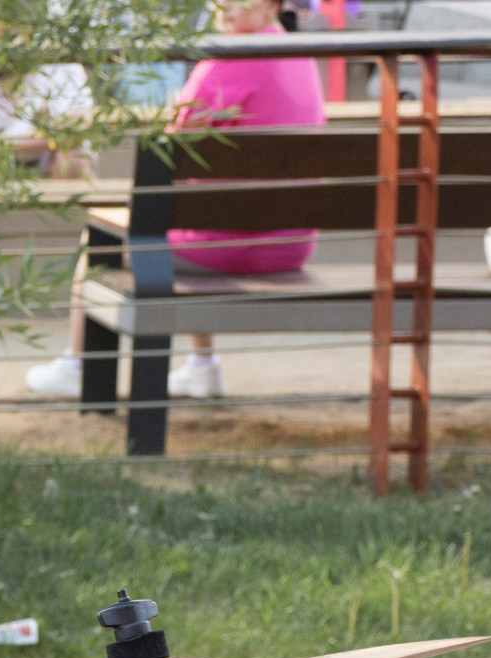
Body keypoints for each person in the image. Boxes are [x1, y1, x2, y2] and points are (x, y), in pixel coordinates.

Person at [23, 0, 325, 401]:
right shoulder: (299, 56)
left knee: (100, 240)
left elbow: (171, 154)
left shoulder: (226, 59)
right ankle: (202, 368)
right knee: (196, 215)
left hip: (227, 248)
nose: (224, 5)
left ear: (273, 5)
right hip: (291, 243)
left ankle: (78, 364)